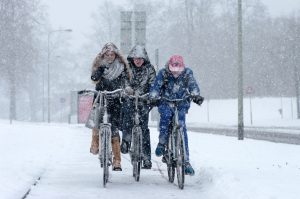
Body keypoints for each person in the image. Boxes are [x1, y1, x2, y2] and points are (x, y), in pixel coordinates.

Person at [149, 55, 203, 176]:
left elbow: (193, 85)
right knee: (165, 120)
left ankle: (186, 161)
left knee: (182, 128)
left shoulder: (187, 74)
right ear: (169, 66)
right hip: (166, 102)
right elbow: (156, 87)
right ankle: (162, 142)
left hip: (181, 103)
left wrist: (195, 95)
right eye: (173, 70)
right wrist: (153, 96)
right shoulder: (163, 74)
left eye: (178, 71)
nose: (175, 73)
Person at [90, 42, 131, 171]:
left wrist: (125, 90)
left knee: (114, 129)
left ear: (116, 55)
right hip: (101, 98)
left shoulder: (121, 67)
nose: (109, 56)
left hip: (115, 99)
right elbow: (94, 78)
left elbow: (126, 81)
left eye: (112, 54)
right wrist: (100, 70)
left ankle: (117, 160)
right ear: (103, 55)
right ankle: (95, 144)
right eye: (107, 54)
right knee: (96, 120)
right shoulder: (100, 65)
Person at [121, 45, 156, 169]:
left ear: (144, 58)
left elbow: (153, 83)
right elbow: (124, 81)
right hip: (130, 98)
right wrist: (127, 89)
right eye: (136, 58)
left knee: (144, 128)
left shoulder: (150, 69)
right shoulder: (127, 68)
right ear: (132, 58)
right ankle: (126, 139)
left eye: (140, 58)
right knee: (127, 114)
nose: (138, 60)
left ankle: (147, 158)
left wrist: (152, 95)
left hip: (144, 100)